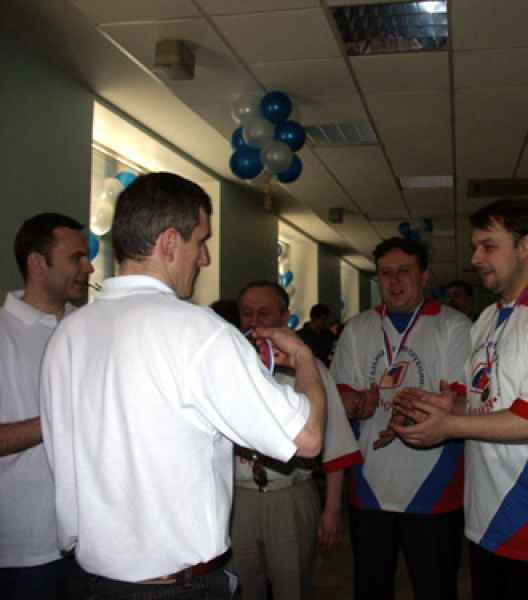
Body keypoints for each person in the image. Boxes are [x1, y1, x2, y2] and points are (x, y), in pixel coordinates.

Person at [39, 172, 326, 600]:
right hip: (175, 586)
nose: (204, 258)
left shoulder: (67, 334)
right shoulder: (198, 331)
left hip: (90, 583)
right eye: (201, 241)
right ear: (170, 242)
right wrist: (304, 358)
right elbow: (307, 437)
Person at [393, 198, 528, 600]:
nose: (475, 258)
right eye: (475, 247)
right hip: (488, 515)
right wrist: (442, 406)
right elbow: (485, 402)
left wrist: (450, 426)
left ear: (525, 246)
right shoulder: (489, 318)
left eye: (488, 246)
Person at [330, 236, 472, 600]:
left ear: (423, 276)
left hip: (434, 484)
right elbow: (339, 397)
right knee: (370, 588)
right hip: (369, 485)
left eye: (404, 271)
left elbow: (460, 400)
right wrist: (356, 403)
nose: (394, 281)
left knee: (436, 588)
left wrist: (411, 417)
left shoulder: (453, 325)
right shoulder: (357, 328)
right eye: (386, 273)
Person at [228, 281, 362, 600]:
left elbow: (335, 444)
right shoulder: (226, 367)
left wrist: (332, 510)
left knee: (294, 589)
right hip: (237, 499)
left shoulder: (309, 370)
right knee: (240, 589)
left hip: (290, 496)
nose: (255, 321)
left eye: (264, 312)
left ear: (284, 316)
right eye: (247, 313)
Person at [0, 213, 94, 599]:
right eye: (76, 258)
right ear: (37, 264)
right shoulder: (3, 334)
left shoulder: (89, 328)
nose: (89, 268)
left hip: (95, 540)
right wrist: (59, 419)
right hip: (27, 550)